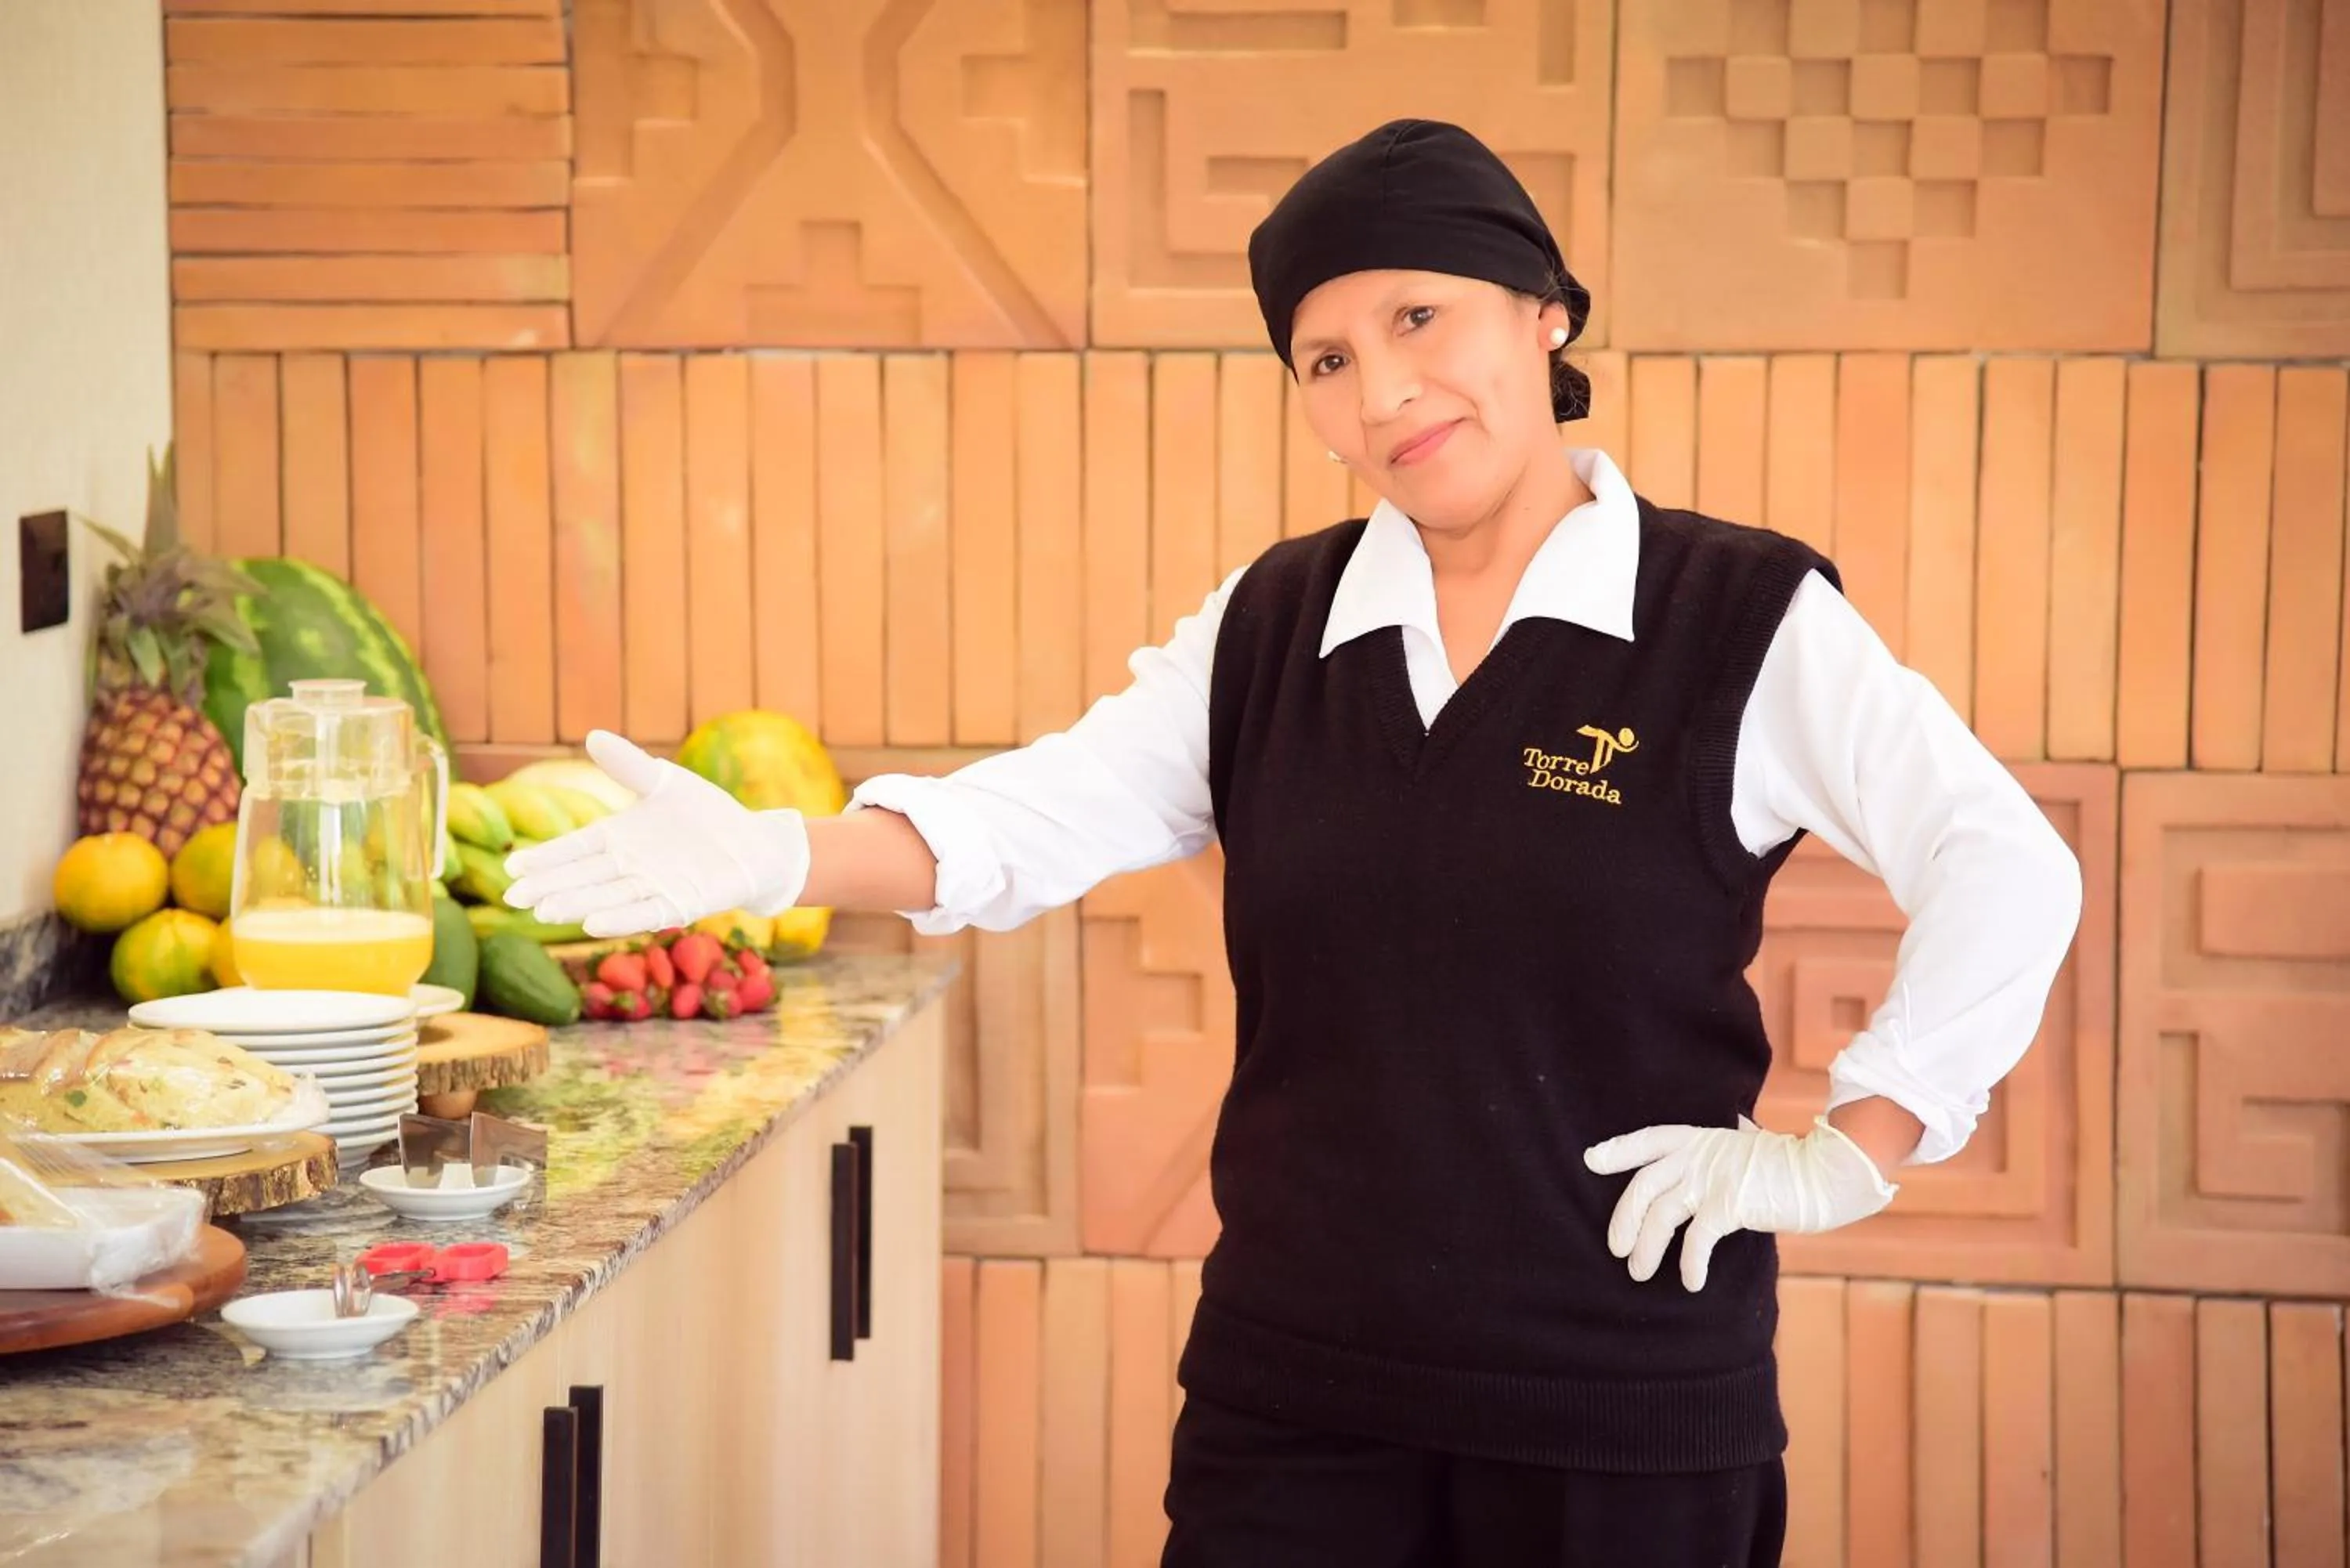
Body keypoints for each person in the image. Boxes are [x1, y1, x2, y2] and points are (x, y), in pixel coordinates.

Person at [504, 118, 2083, 1567]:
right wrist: (784, 854)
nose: (1381, 392)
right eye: (1323, 358)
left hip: (1624, 1419)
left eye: (1419, 319)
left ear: (1546, 313)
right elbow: (1041, 810)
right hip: (1296, 1399)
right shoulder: (1280, 623)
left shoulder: (1733, 618)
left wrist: (1854, 1147)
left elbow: (2004, 858)